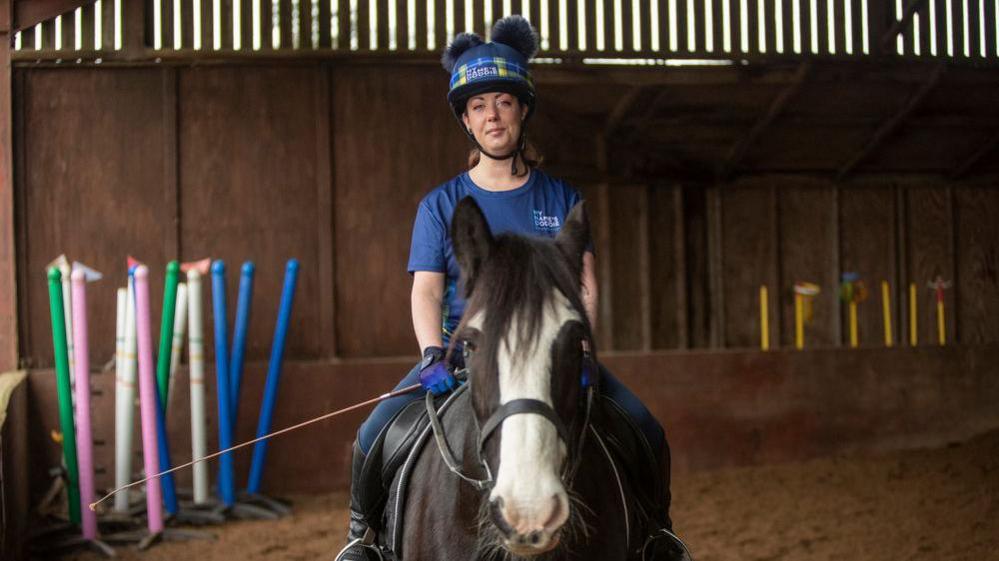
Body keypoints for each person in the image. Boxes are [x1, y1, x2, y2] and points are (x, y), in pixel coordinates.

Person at [335, 15, 690, 561]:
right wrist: (433, 352)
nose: (491, 115)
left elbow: (584, 285)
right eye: (478, 107)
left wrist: (582, 347)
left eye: (502, 101)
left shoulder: (560, 199)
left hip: (550, 353)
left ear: (523, 110)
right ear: (466, 122)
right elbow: (426, 291)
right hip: (466, 352)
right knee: (374, 432)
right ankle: (364, 540)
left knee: (645, 427)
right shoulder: (439, 205)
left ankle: (657, 536)